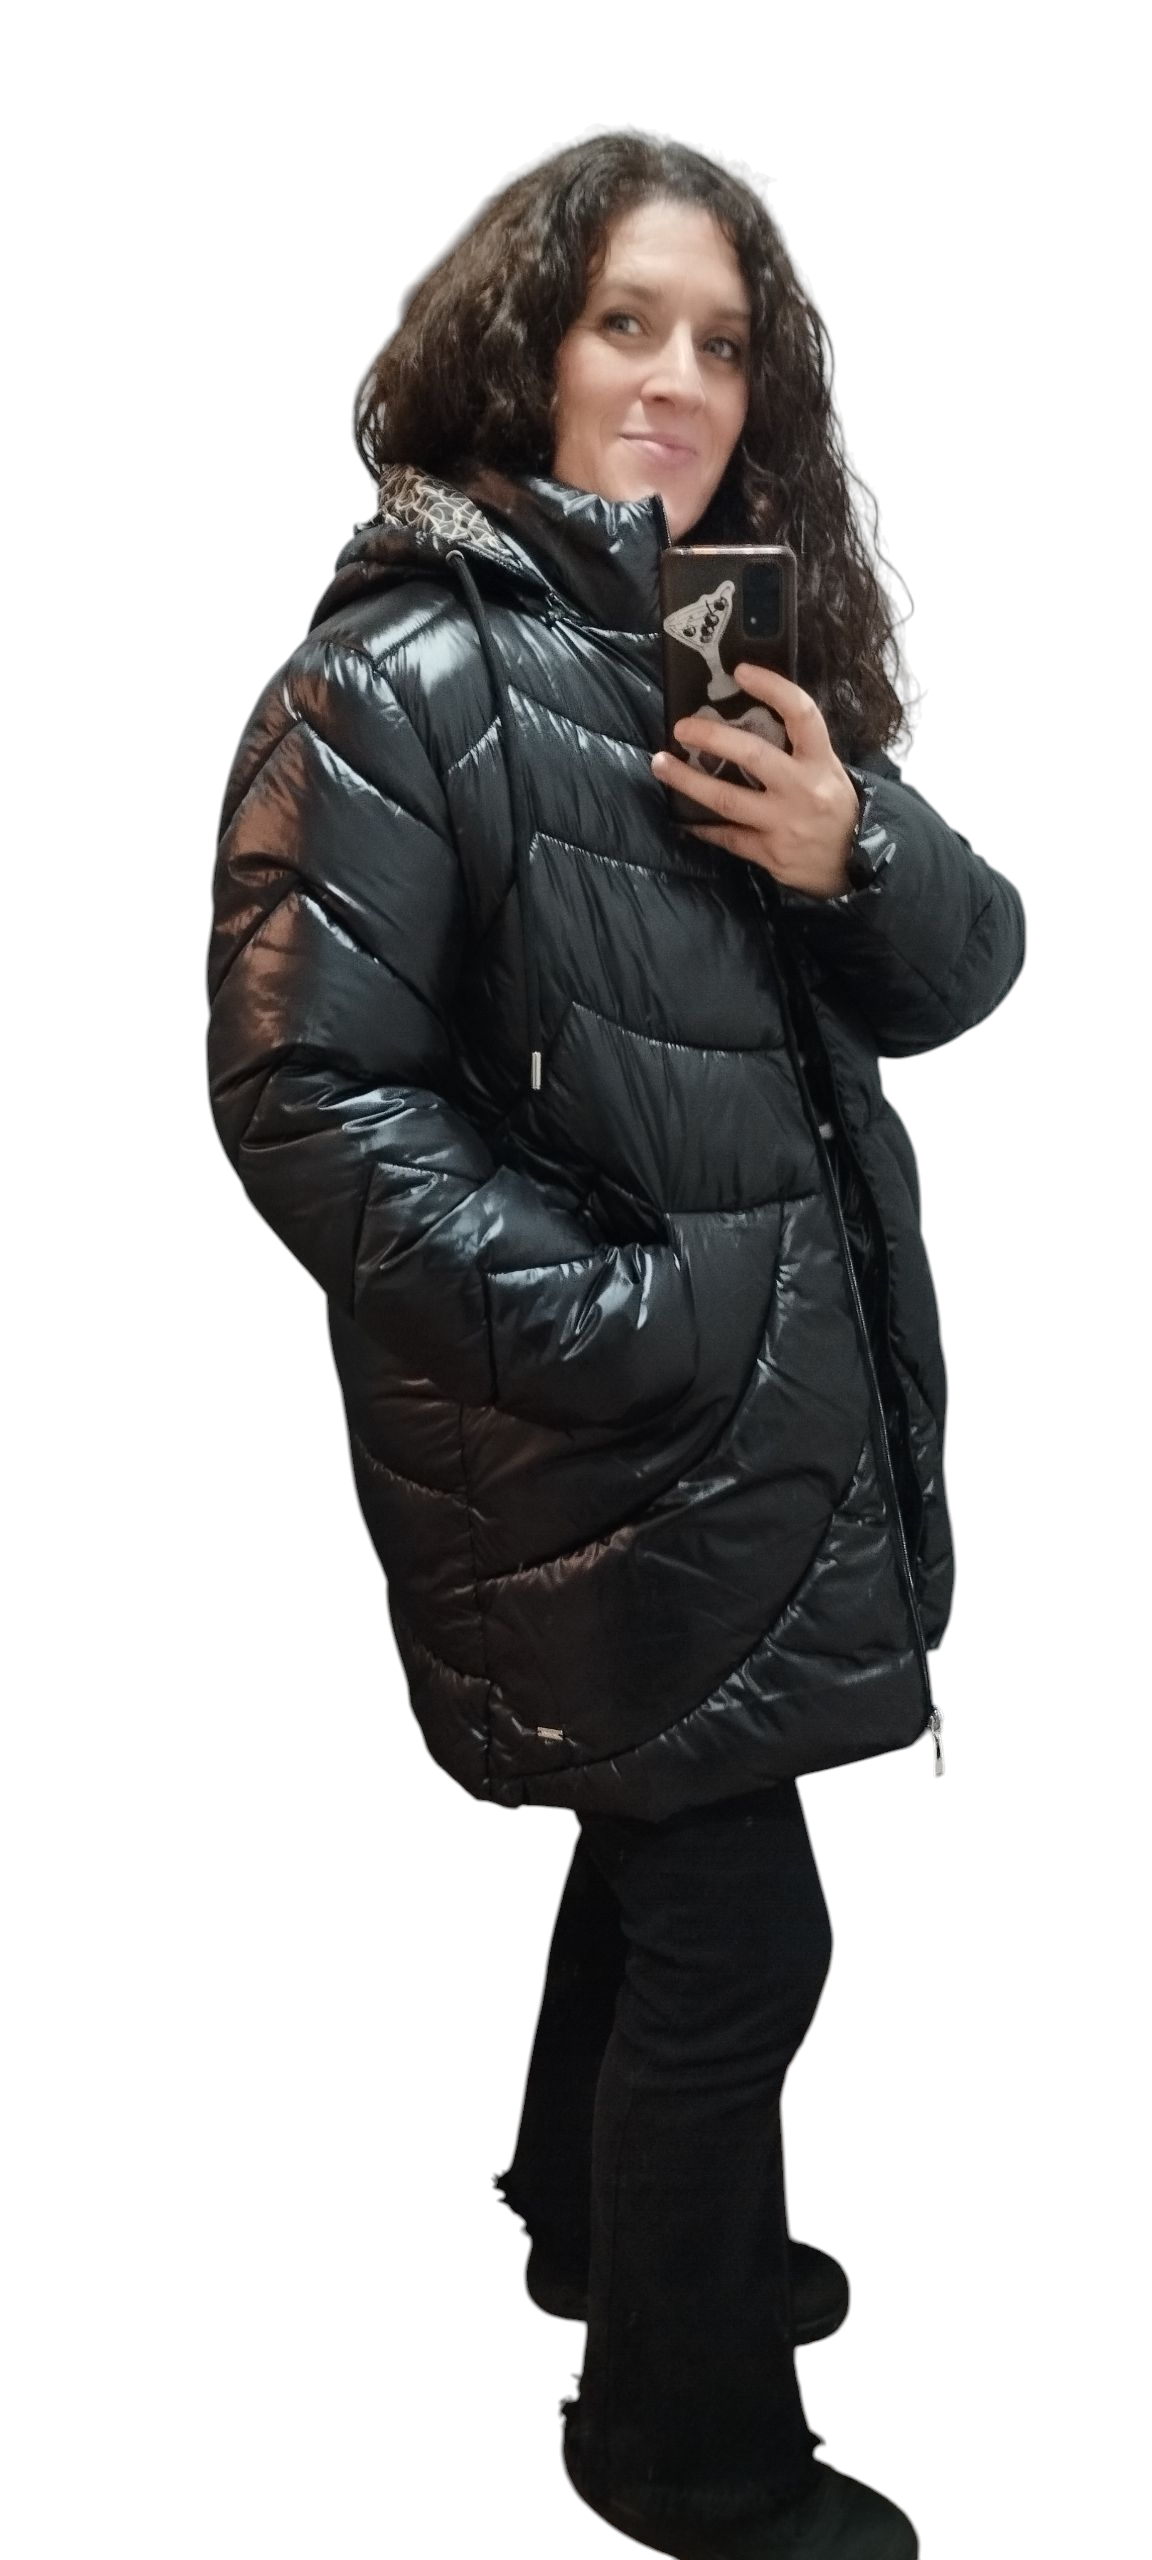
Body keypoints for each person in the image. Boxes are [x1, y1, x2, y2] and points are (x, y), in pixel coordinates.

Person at [206, 130, 1024, 2559]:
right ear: (523, 348)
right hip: (593, 1429)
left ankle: (601, 2215)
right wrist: (623, 1319)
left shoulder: (716, 653)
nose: (678, 376)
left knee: (666, 1835)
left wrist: (850, 844)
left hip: (743, 1417)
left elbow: (971, 965)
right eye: (625, 322)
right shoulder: (395, 679)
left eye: (724, 339)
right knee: (740, 1927)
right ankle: (681, 2431)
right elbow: (301, 1091)